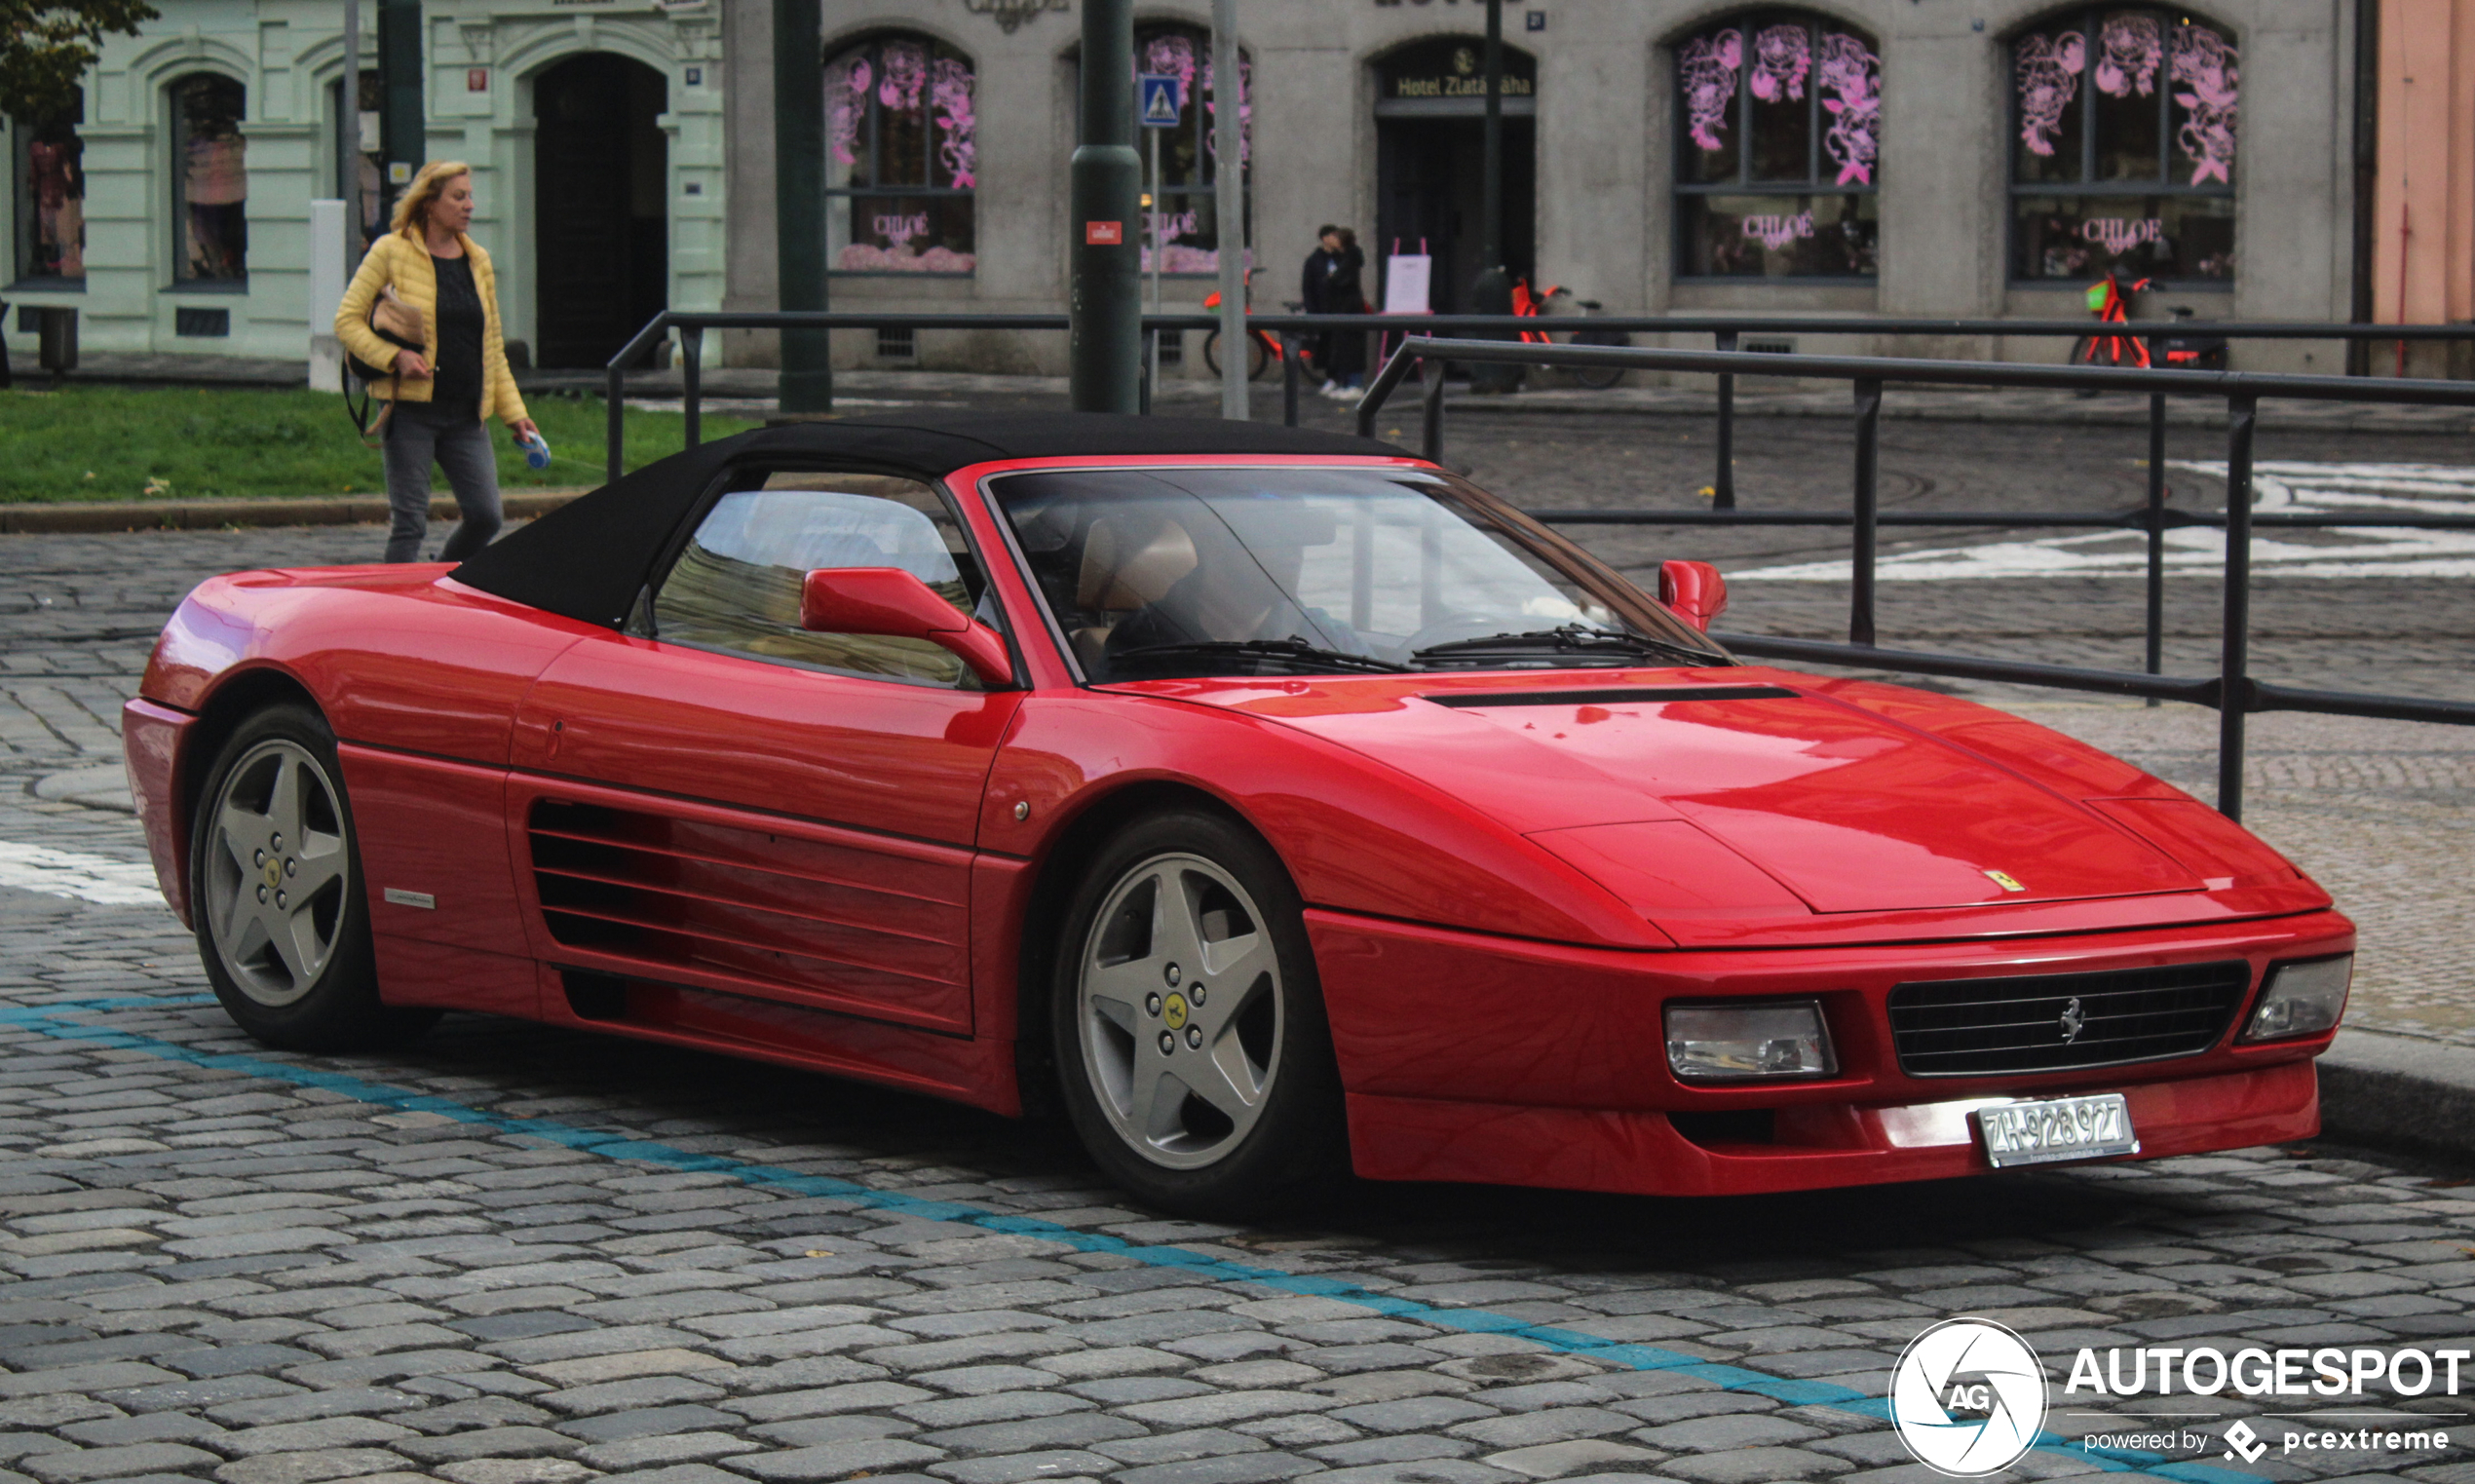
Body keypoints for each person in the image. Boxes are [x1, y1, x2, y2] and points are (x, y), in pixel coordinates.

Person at [335, 160, 539, 563]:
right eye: (458, 197)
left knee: (486, 516)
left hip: (467, 413)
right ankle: (396, 612)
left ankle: (442, 585)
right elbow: (346, 321)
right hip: (411, 411)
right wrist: (396, 357)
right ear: (430, 204)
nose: (470, 206)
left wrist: (515, 415)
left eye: (470, 197)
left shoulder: (477, 259)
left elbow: (492, 346)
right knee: (410, 522)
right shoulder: (390, 251)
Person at [1301, 225, 1368, 398]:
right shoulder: (1316, 260)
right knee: (1337, 348)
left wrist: (1332, 279)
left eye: (1336, 237)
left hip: (1347, 310)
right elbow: (1309, 286)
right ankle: (1341, 381)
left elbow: (1342, 279)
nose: (1334, 240)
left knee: (1349, 348)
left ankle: (1352, 384)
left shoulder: (1349, 257)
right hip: (1332, 310)